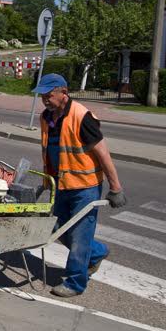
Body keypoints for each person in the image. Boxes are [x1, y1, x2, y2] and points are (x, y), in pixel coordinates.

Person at [33, 74, 126, 298]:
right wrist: (46, 181)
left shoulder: (82, 117)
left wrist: (116, 187)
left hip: (85, 187)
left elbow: (103, 153)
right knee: (56, 229)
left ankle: (75, 282)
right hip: (61, 185)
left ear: (63, 92)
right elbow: (51, 152)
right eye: (42, 95)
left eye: (49, 94)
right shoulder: (46, 117)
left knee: (80, 235)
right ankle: (98, 252)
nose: (45, 99)